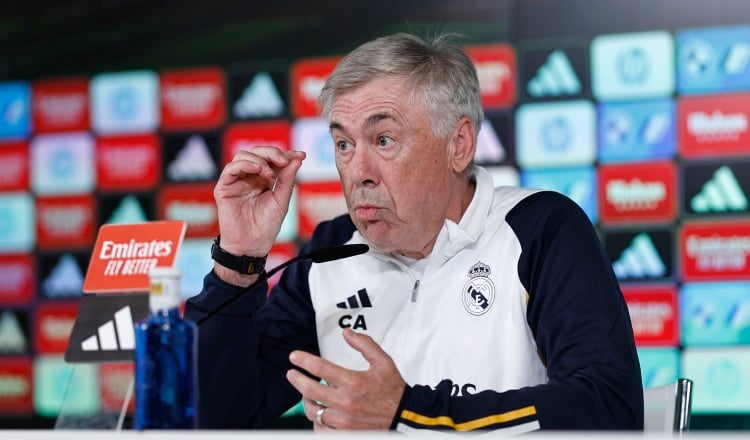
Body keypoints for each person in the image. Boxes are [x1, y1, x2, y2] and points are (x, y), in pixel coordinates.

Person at [185, 32, 644, 433]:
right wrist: (237, 263)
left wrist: (405, 411)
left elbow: (608, 408)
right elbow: (220, 419)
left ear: (458, 145)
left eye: (383, 140)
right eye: (344, 144)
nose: (358, 172)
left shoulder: (540, 229)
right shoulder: (329, 252)